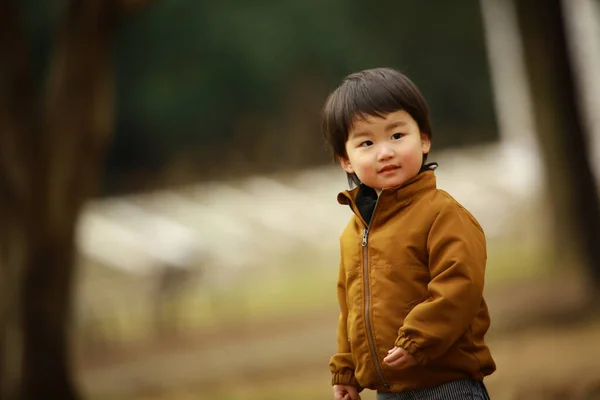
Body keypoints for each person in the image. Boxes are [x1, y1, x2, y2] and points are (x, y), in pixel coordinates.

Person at [322, 68, 496, 400]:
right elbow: (352, 310)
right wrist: (345, 370)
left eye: (397, 136)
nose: (385, 152)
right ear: (346, 159)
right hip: (388, 390)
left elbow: (460, 286)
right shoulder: (355, 232)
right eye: (367, 142)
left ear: (424, 138)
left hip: (447, 385)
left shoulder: (442, 214)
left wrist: (418, 340)